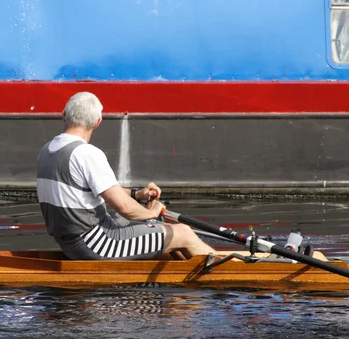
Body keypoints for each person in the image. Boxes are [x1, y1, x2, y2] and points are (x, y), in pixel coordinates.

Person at [36, 91, 215, 260]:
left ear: (63, 115)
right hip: (98, 244)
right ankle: (233, 269)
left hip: (70, 243)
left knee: (161, 226)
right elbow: (125, 208)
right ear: (98, 122)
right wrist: (150, 213)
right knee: (184, 232)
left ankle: (182, 266)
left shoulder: (47, 150)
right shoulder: (86, 153)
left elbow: (98, 189)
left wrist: (137, 194)